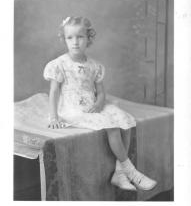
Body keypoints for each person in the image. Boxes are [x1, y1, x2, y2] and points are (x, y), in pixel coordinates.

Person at [43, 16, 157, 191]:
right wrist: (54, 116)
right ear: (64, 39)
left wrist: (98, 103)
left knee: (122, 119)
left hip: (93, 106)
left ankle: (119, 174)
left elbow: (101, 92)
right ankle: (131, 171)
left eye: (80, 37)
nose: (75, 42)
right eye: (70, 37)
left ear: (89, 38)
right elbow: (54, 92)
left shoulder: (94, 66)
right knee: (112, 126)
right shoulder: (60, 64)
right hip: (73, 109)